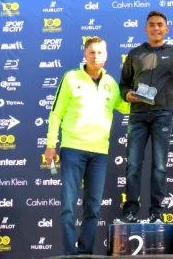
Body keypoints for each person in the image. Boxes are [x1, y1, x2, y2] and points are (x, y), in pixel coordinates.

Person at [43, 37, 130, 255]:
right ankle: (70, 254)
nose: (96, 56)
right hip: (73, 149)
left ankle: (85, 252)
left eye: (100, 52)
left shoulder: (110, 83)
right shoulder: (71, 78)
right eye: (92, 52)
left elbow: (124, 107)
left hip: (99, 153)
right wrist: (51, 145)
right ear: (85, 55)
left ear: (106, 56)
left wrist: (142, 98)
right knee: (68, 207)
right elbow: (56, 113)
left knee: (93, 208)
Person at [116, 11, 173, 224]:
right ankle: (130, 212)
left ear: (167, 29)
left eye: (160, 25)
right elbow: (123, 85)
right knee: (134, 165)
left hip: (162, 115)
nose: (156, 28)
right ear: (146, 29)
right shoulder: (134, 54)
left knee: (160, 166)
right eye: (152, 25)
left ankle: (156, 212)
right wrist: (127, 94)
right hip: (136, 116)